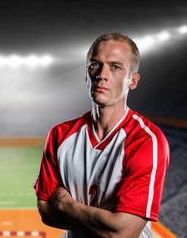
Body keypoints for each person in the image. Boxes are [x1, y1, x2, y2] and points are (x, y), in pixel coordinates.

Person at [34, 32, 170, 238]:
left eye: (115, 67)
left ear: (133, 80)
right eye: (94, 64)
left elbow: (121, 233)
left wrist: (66, 203)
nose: (101, 74)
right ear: (86, 73)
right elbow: (46, 212)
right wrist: (105, 223)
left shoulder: (146, 141)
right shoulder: (59, 135)